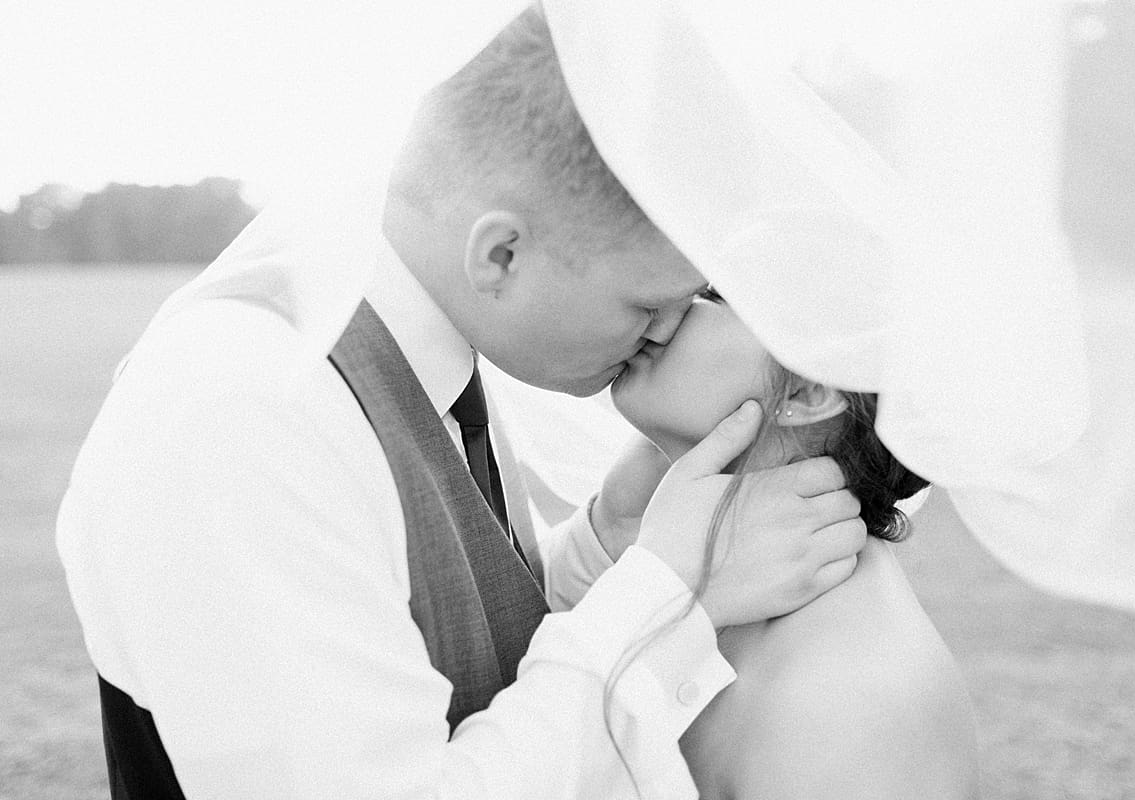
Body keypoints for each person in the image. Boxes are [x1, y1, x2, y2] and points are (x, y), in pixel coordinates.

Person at [56, 7, 868, 800]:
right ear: (502, 253)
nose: (665, 331)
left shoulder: (416, 344)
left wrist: (602, 544)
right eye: (647, 302)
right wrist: (668, 598)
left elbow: (438, 646)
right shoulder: (247, 414)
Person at [607, 286, 980, 799]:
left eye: (714, 294)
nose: (668, 305)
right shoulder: (680, 557)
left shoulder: (840, 704)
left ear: (808, 392)